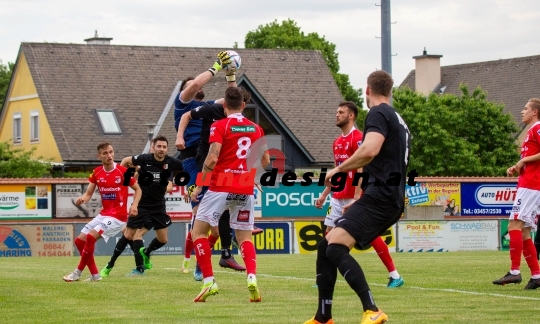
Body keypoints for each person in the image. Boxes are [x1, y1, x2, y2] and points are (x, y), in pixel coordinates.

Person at [304, 70, 410, 324]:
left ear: (367, 90)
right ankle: (323, 317)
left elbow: (370, 150)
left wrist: (338, 169)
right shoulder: (396, 117)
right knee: (325, 245)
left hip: (382, 197)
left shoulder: (378, 113)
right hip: (384, 195)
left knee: (336, 245)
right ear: (390, 90)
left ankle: (372, 309)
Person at [174, 51, 251, 279]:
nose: (196, 85)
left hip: (209, 159)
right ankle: (212, 258)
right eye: (191, 85)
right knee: (203, 216)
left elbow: (233, 99)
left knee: (215, 225)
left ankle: (224, 248)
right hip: (192, 161)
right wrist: (217, 65)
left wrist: (231, 74)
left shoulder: (210, 105)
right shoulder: (182, 104)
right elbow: (197, 81)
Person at [189, 87, 270, 302]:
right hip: (244, 187)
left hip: (220, 186)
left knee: (198, 233)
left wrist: (199, 186)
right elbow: (266, 161)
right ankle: (251, 277)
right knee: (244, 237)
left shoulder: (219, 125)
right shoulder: (256, 128)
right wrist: (253, 176)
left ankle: (209, 281)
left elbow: (212, 159)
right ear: (243, 105)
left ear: (224, 105)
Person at [315, 101, 404, 289]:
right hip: (338, 196)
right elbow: (337, 172)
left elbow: (363, 167)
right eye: (336, 111)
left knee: (368, 235)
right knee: (329, 235)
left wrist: (357, 196)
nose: (337, 115)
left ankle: (394, 275)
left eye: (341, 112)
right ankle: (324, 278)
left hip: (353, 195)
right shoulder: (337, 142)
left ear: (351, 116)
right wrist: (324, 194)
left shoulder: (359, 138)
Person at [100, 135, 184, 276]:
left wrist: (188, 187)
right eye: (159, 146)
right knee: (129, 234)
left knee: (163, 239)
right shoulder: (144, 159)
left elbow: (185, 172)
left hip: (158, 206)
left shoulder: (171, 163)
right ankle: (111, 266)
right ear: (153, 147)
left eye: (164, 147)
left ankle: (146, 252)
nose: (161, 149)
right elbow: (126, 160)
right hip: (141, 204)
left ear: (167, 149)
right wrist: (122, 178)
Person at [63, 142, 142, 282]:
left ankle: (77, 272)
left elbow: (138, 189)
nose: (109, 155)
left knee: (91, 237)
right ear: (99, 156)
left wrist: (134, 205)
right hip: (104, 214)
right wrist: (82, 199)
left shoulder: (122, 172)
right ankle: (95, 275)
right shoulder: (97, 172)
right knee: (79, 240)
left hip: (118, 216)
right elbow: (88, 194)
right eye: (105, 153)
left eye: (111, 152)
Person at [493, 98, 540, 290]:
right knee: (524, 230)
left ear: (535, 111)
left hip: (532, 186)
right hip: (529, 183)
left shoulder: (537, 128)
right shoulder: (531, 131)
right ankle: (537, 276)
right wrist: (519, 164)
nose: (522, 111)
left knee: (514, 224)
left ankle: (514, 271)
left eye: (526, 108)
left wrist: (523, 161)